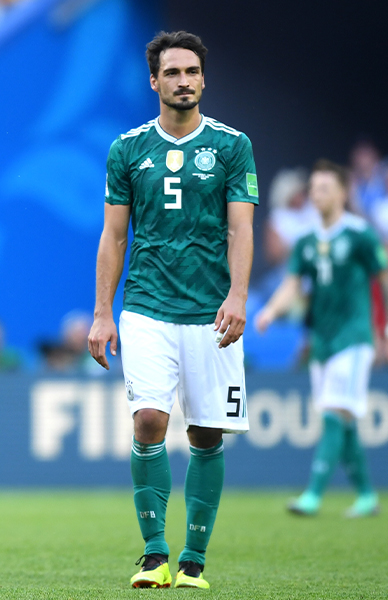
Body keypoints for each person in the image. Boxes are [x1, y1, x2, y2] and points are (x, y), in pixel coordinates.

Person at [87, 31, 257, 589]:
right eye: (172, 72)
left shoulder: (233, 145)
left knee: (207, 436)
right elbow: (113, 238)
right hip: (147, 306)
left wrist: (236, 295)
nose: (183, 81)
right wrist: (102, 312)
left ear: (203, 79)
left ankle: (194, 563)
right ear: (154, 81)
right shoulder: (127, 149)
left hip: (211, 310)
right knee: (150, 420)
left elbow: (241, 227)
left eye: (191, 71)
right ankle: (155, 554)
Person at [255, 160, 384, 519]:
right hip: (322, 339)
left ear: (343, 193)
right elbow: (292, 284)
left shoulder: (360, 234)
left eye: (325, 188)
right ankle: (366, 496)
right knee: (342, 417)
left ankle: (312, 495)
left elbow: (383, 276)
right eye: (313, 188)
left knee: (333, 411)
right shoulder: (308, 242)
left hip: (355, 336)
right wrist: (270, 312)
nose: (316, 195)